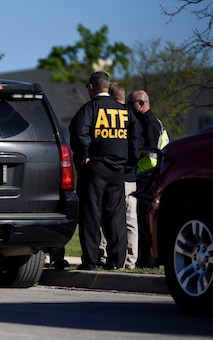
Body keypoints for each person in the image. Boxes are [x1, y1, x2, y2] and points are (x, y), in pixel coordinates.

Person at [69, 72, 141, 270]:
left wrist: (83, 158)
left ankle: (91, 262)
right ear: (107, 87)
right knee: (116, 217)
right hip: (118, 171)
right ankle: (116, 262)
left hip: (95, 170)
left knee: (91, 216)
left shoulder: (90, 109)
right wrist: (129, 164)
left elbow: (77, 132)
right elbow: (135, 139)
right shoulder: (125, 111)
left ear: (92, 87)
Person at [127, 90, 168, 268]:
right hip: (151, 175)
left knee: (145, 220)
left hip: (148, 176)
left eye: (131, 104)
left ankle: (148, 262)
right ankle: (146, 260)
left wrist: (131, 159)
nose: (129, 108)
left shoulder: (148, 122)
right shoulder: (150, 120)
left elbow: (149, 150)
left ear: (141, 104)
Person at [109, 83, 140, 269]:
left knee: (114, 217)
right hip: (130, 175)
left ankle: (113, 258)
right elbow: (135, 148)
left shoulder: (116, 116)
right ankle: (131, 260)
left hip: (117, 174)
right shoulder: (132, 117)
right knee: (131, 220)